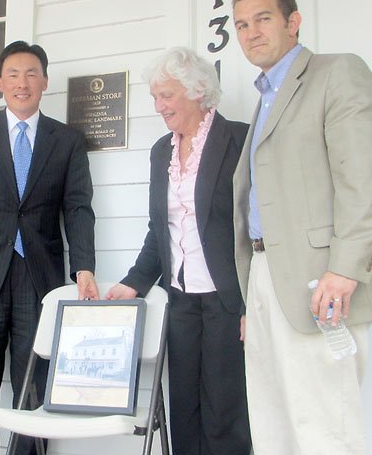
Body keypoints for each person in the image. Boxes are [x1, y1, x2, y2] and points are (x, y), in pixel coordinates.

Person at [231, 0, 372, 454]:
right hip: (264, 279)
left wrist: (343, 271)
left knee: (326, 430)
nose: (251, 33)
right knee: (272, 423)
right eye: (241, 25)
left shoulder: (338, 73)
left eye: (263, 19)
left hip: (320, 283)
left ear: (293, 21)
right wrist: (252, 295)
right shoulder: (265, 98)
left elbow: (365, 183)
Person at [0, 40, 99, 455]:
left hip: (40, 281)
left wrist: (84, 267)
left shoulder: (66, 140)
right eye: (13, 74)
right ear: (0, 82)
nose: (22, 82)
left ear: (45, 81)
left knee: (33, 389)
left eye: (32, 73)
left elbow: (78, 207)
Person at [105, 47, 251, 455]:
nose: (159, 106)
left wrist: (252, 303)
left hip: (228, 298)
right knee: (184, 406)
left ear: (197, 91)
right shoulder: (161, 152)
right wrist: (134, 282)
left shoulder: (239, 139)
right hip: (182, 298)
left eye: (166, 95)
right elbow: (161, 229)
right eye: (155, 97)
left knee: (226, 411)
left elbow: (257, 227)